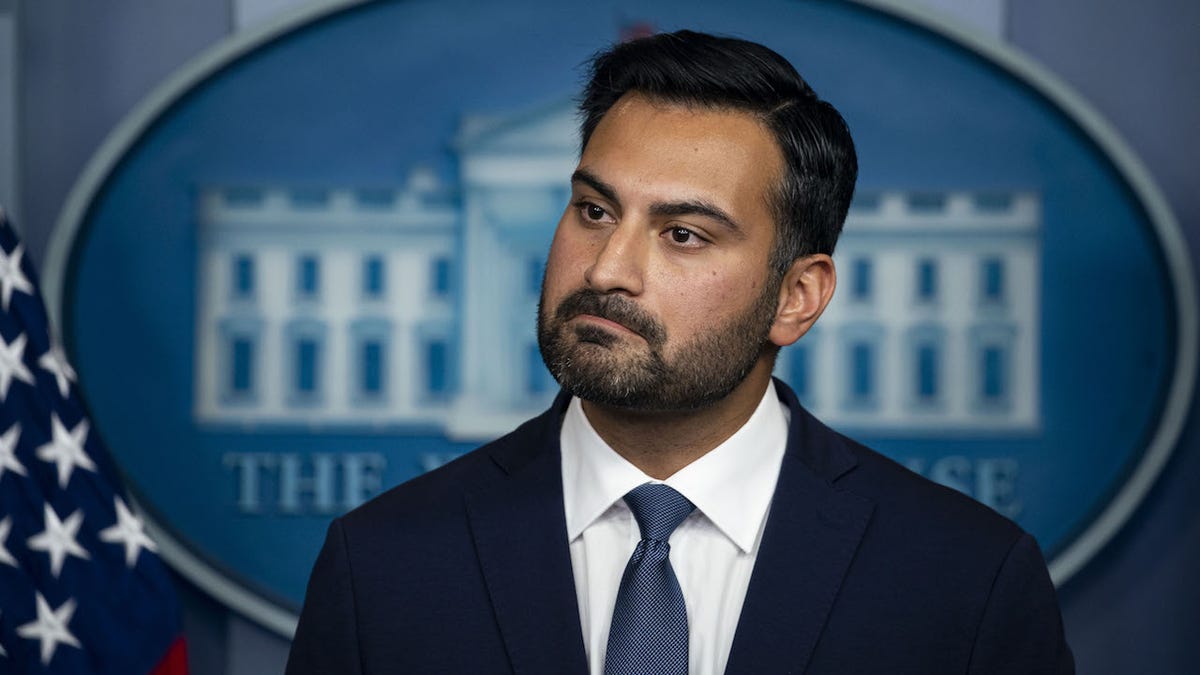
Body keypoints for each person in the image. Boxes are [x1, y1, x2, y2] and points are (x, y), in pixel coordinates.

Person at [286, 30, 1073, 674]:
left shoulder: (966, 579)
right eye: (594, 210)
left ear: (797, 296)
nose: (606, 269)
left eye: (684, 234)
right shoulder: (382, 564)